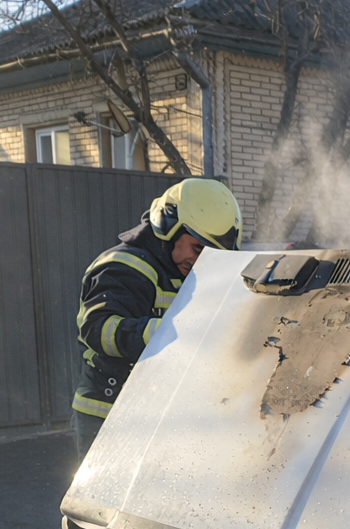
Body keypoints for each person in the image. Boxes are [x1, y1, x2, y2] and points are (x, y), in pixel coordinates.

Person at [71, 179, 241, 457]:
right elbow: (99, 329)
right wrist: (171, 334)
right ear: (167, 227)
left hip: (158, 418)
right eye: (198, 248)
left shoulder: (184, 273)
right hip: (108, 415)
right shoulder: (124, 265)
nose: (201, 262)